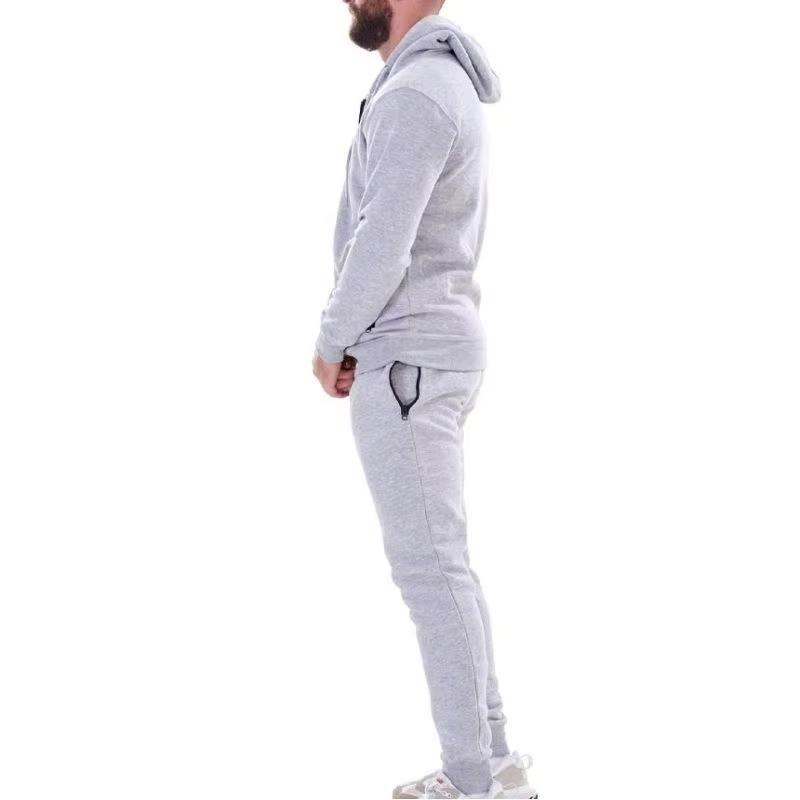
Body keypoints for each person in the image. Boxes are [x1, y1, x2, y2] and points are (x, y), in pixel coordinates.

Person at [312, 2, 536, 798]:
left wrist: (332, 340)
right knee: (445, 568)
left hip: (407, 358)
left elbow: (382, 241)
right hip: (428, 351)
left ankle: (472, 781)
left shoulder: (418, 92)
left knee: (431, 575)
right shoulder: (433, 83)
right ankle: (494, 758)